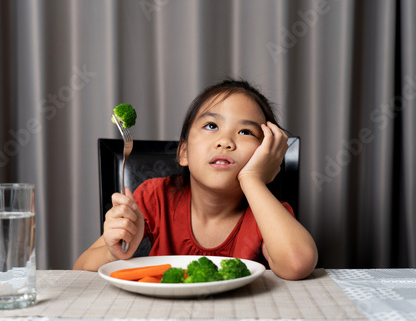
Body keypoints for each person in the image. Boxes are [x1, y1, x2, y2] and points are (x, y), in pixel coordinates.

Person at [74, 79, 318, 280]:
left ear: (265, 155)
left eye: (245, 132)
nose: (225, 142)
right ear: (184, 153)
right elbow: (79, 270)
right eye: (211, 125)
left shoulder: (267, 213)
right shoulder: (156, 196)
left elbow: (298, 263)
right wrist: (115, 251)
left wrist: (253, 179)